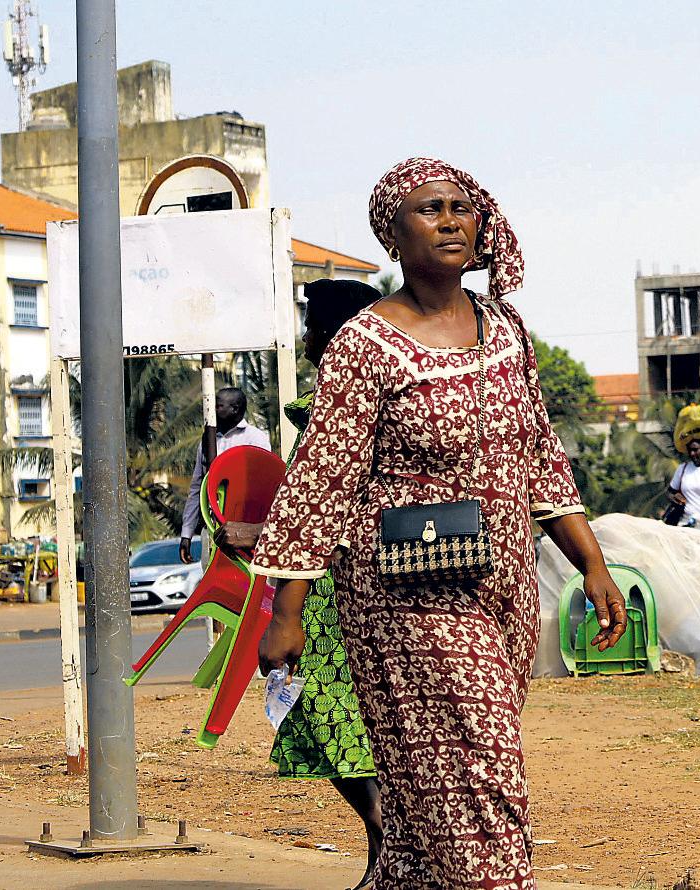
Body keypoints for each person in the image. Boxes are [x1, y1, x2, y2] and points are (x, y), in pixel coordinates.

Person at [252, 157, 627, 888]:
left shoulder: (507, 329)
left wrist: (592, 564)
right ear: (393, 236)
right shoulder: (365, 345)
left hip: (506, 587)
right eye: (429, 209)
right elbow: (323, 479)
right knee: (482, 771)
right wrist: (285, 613)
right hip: (408, 592)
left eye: (461, 206)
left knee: (436, 795)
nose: (451, 219)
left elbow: (541, 457)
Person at [214, 279, 384, 888]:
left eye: (314, 321)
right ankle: (387, 852)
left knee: (335, 718)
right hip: (332, 590)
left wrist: (287, 610)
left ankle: (389, 849)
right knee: (334, 723)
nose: (306, 334)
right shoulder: (329, 401)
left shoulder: (357, 404)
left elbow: (326, 509)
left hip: (346, 595)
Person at [179, 386, 271, 563]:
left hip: (245, 530)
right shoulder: (207, 440)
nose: (212, 410)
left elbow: (266, 483)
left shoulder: (255, 438)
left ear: (235, 409)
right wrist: (186, 534)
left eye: (219, 406)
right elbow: (198, 487)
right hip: (213, 528)